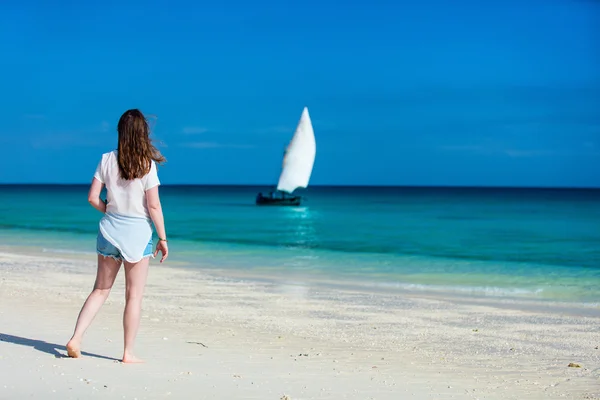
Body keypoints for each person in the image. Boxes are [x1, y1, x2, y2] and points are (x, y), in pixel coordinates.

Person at [66, 109, 169, 363]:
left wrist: (109, 210)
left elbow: (92, 198)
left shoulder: (106, 159)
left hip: (109, 231)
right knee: (133, 296)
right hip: (137, 234)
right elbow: (154, 206)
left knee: (100, 290)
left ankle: (76, 338)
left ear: (120, 133)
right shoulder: (147, 165)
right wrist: (163, 239)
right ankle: (127, 353)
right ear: (143, 134)